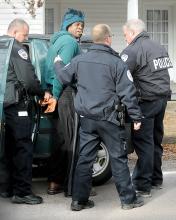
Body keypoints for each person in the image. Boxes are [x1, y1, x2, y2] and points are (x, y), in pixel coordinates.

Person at [53, 24, 144, 210]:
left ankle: (79, 200)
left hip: (87, 119)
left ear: (94, 39)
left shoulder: (80, 60)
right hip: (109, 118)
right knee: (118, 158)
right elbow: (128, 92)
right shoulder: (117, 63)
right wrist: (136, 117)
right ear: (108, 39)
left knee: (85, 159)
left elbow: (63, 76)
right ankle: (128, 200)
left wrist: (57, 62)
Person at [0, 18, 51, 204]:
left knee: (6, 148)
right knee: (23, 148)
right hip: (16, 106)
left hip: (2, 106)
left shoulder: (2, 46)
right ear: (14, 32)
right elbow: (28, 80)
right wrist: (42, 91)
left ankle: (6, 188)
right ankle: (22, 193)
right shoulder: (16, 48)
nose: (26, 38)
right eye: (25, 34)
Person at [121, 19, 172, 197]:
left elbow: (120, 75)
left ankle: (143, 185)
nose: (125, 39)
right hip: (162, 99)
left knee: (144, 143)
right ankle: (156, 178)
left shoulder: (133, 50)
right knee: (155, 139)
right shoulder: (158, 46)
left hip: (146, 102)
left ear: (133, 32)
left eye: (125, 35)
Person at [44, 8, 86, 195]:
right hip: (66, 94)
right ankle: (72, 185)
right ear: (68, 25)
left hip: (56, 93)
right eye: (78, 24)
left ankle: (55, 181)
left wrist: (50, 93)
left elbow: (49, 71)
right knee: (71, 140)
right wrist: (55, 95)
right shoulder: (69, 42)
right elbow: (63, 74)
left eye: (82, 25)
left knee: (60, 139)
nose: (81, 28)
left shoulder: (56, 42)